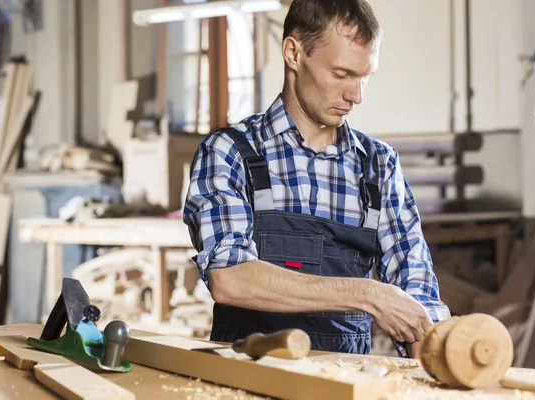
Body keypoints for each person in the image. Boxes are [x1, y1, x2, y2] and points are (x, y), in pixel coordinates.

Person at [183, 0, 450, 358]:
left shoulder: (378, 167)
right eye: (341, 74)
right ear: (293, 53)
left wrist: (437, 355)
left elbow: (416, 292)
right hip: (247, 382)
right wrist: (369, 294)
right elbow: (230, 278)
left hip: (342, 386)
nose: (356, 96)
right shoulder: (230, 152)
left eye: (364, 77)